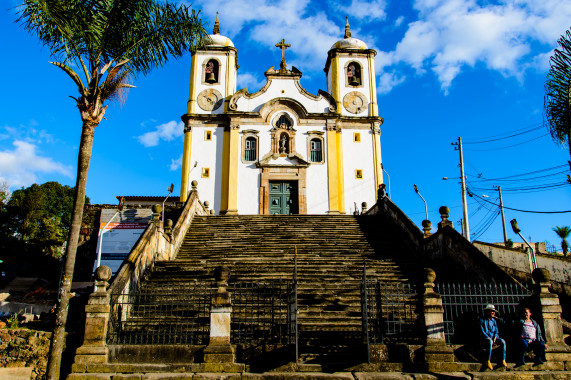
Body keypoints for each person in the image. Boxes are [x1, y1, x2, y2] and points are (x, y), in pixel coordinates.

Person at [479, 304, 507, 370]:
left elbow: (496, 331)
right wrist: (487, 337)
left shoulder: (494, 321)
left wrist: (495, 337)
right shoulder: (482, 320)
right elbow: (481, 331)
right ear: (487, 311)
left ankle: (503, 359)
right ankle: (487, 360)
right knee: (489, 342)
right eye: (491, 311)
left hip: (493, 337)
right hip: (485, 338)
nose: (493, 313)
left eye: (493, 311)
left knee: (503, 341)